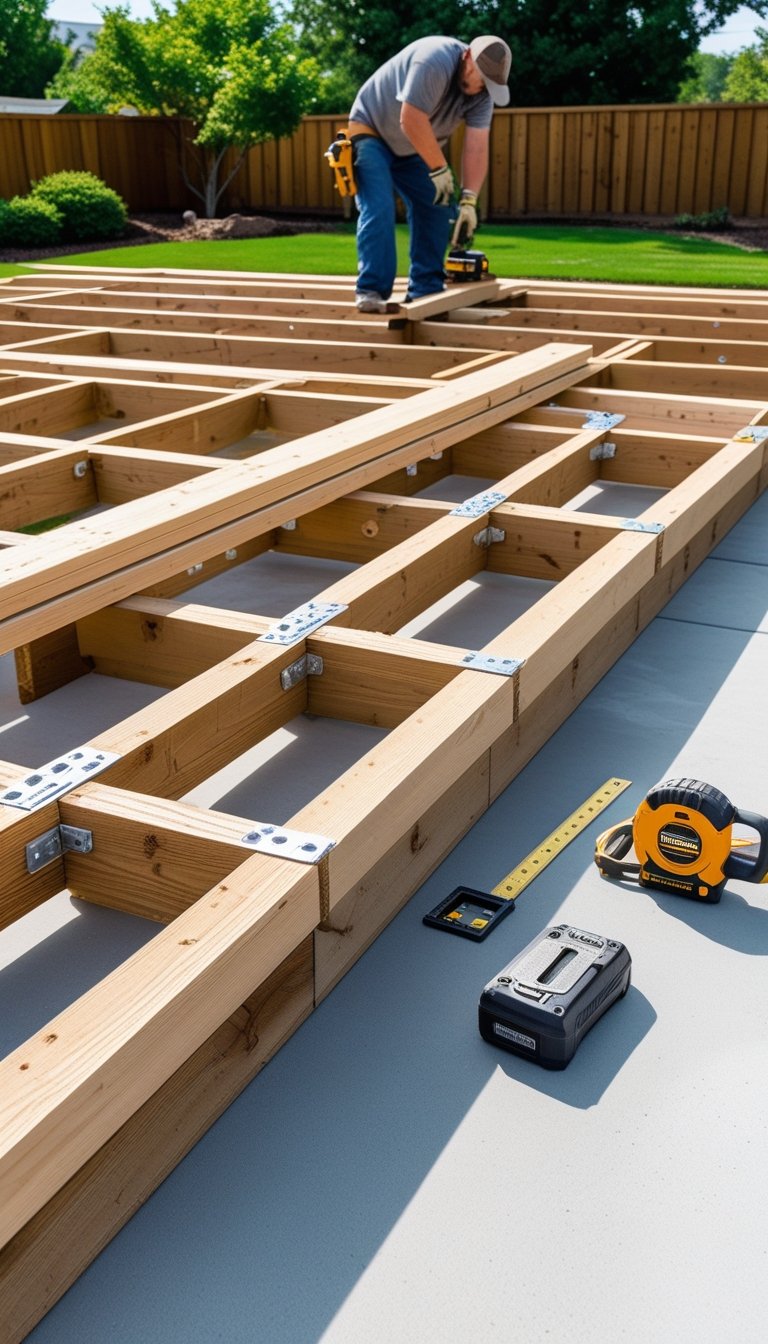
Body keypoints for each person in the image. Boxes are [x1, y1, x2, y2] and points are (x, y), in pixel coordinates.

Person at [347, 35, 512, 312]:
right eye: (479, 77)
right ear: (467, 56)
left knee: (438, 207)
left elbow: (476, 148)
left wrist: (469, 200)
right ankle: (371, 291)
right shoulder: (434, 59)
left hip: (414, 147)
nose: (480, 87)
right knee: (379, 207)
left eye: (488, 83)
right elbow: (410, 118)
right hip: (372, 130)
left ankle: (426, 289)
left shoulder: (483, 96)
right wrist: (439, 168)